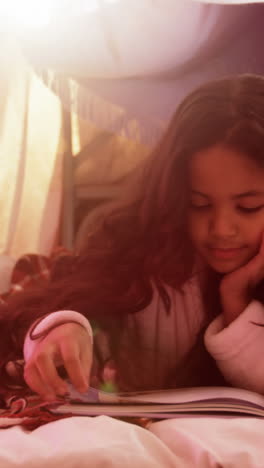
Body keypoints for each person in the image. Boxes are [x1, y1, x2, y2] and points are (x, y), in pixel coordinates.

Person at [2, 73, 264, 402]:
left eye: (249, 207)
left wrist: (236, 302)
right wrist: (62, 326)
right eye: (198, 204)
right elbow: (70, 302)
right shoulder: (146, 253)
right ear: (173, 193)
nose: (222, 229)